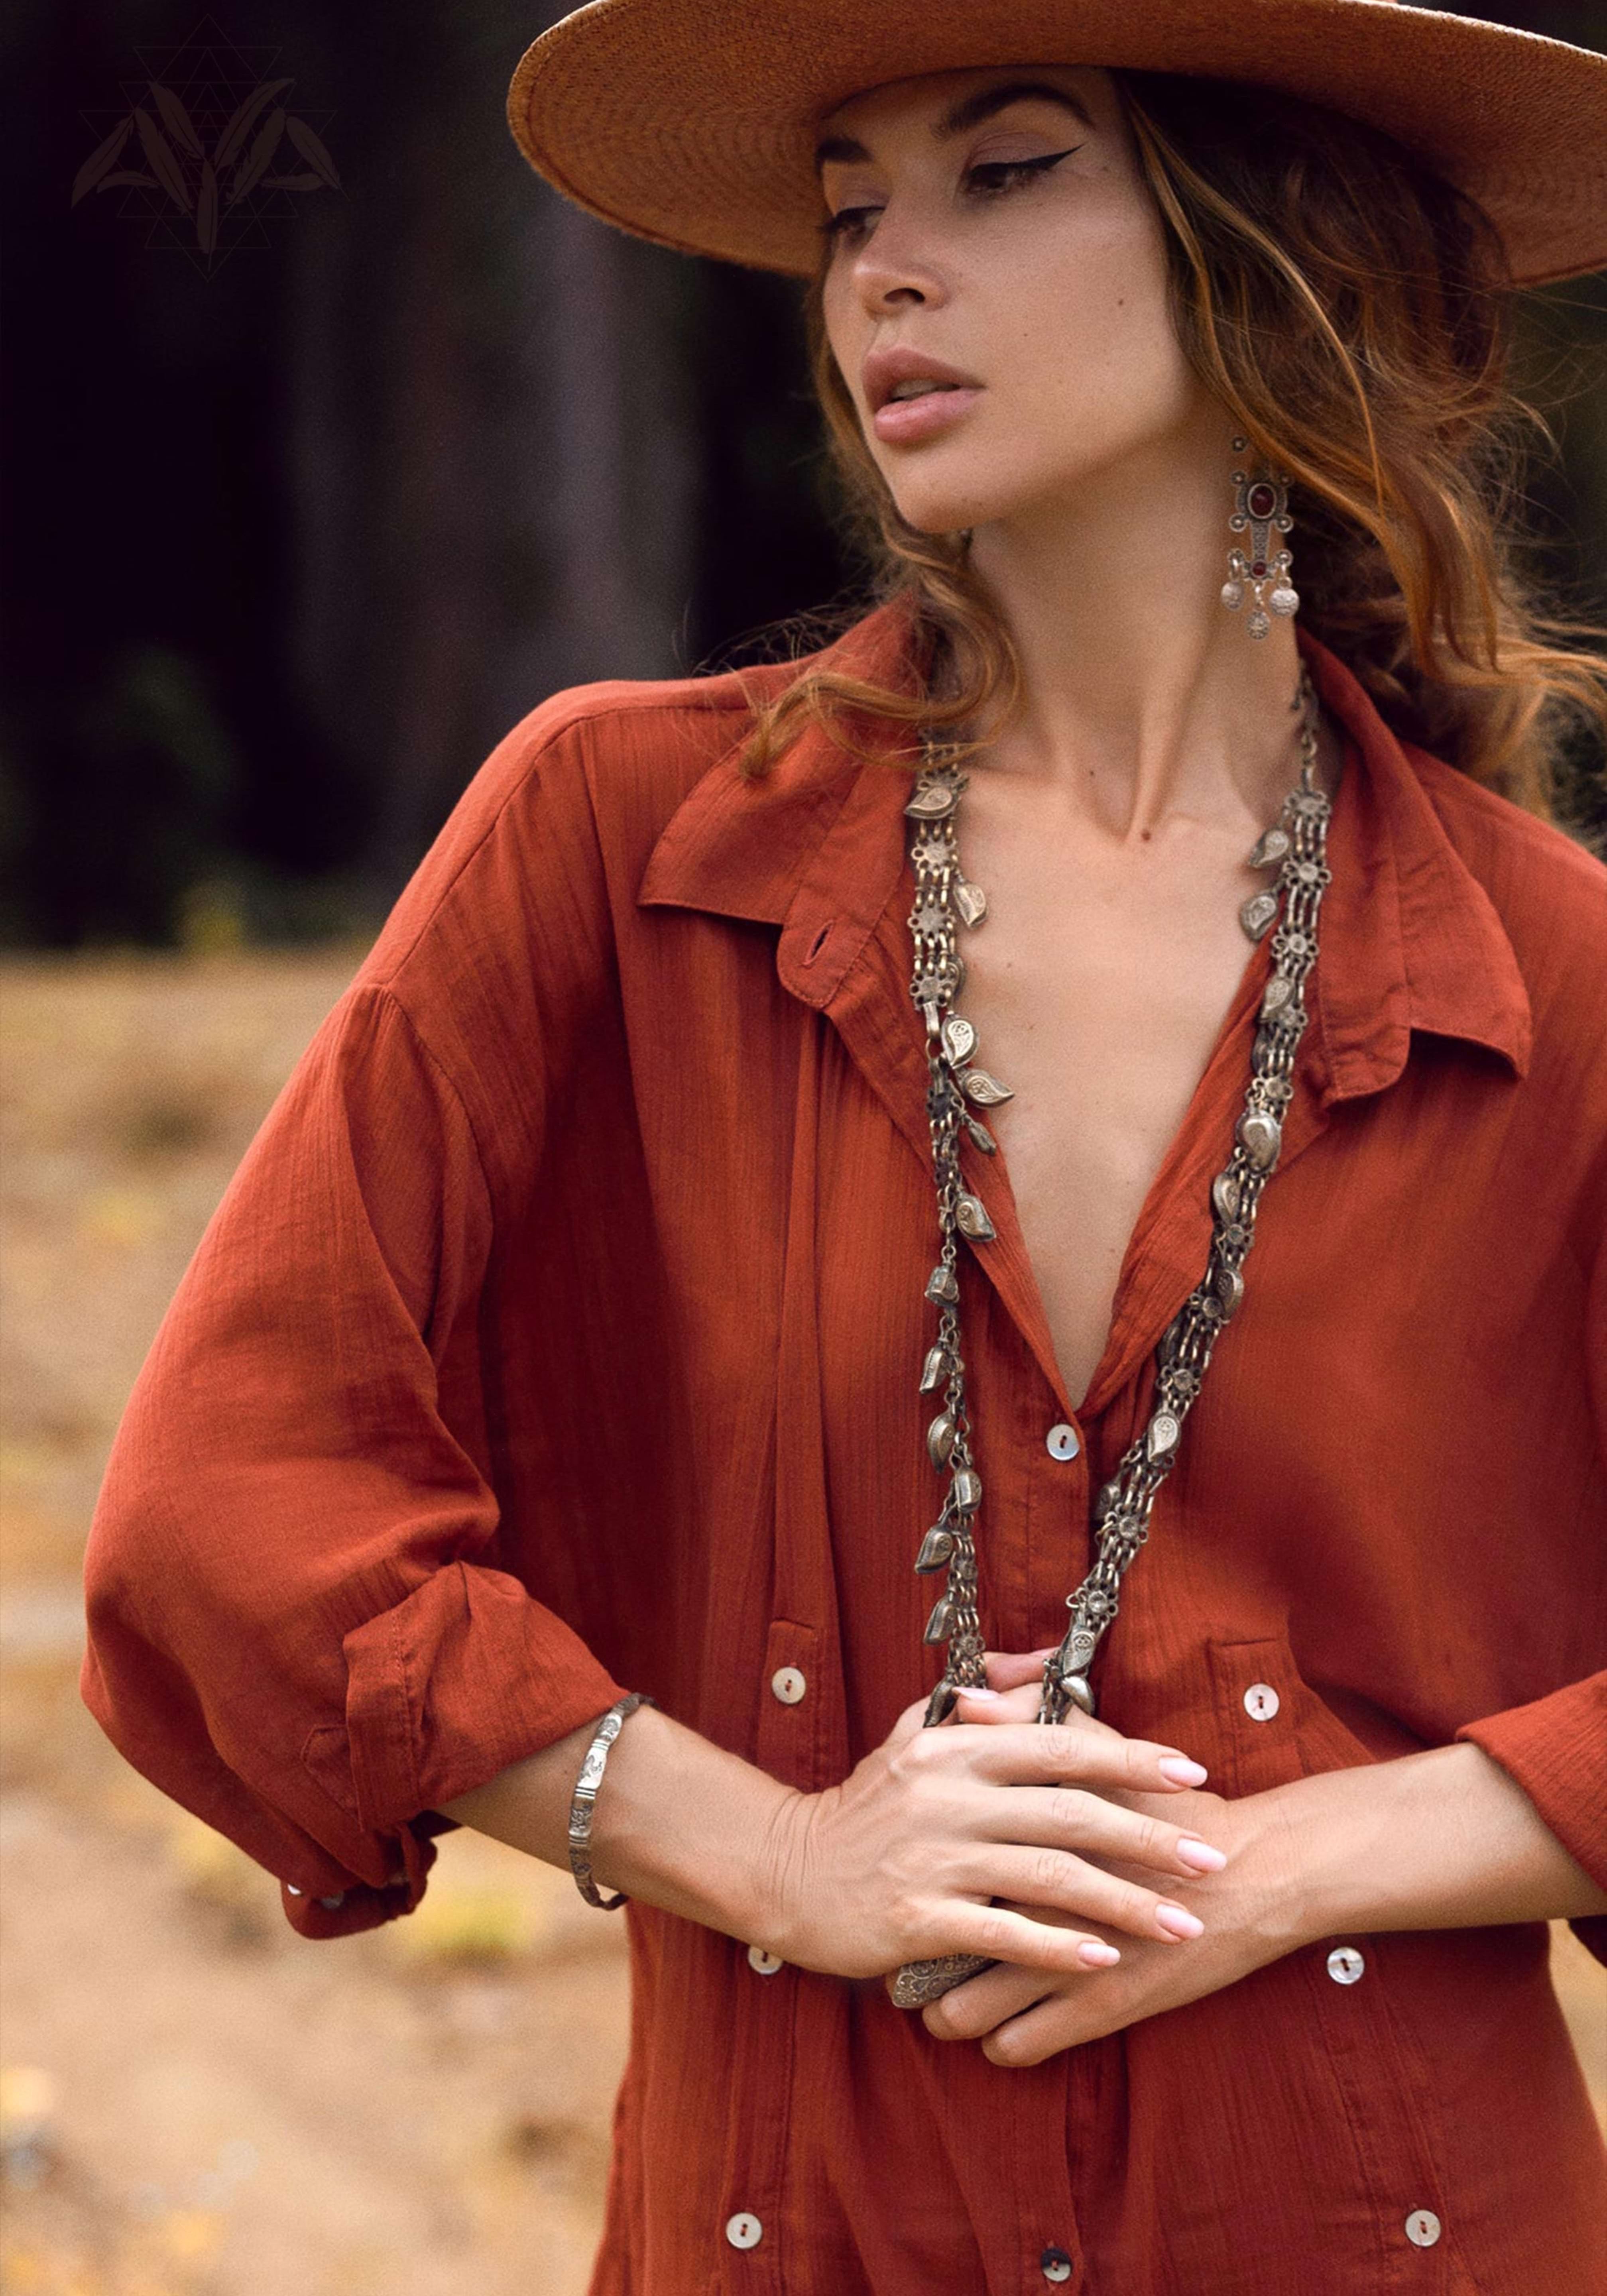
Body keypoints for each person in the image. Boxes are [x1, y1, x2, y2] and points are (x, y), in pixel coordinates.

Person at [82, 4, 1607, 2291]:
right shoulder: (614, 848)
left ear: (1262, 238)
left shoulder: (1549, 968)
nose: (887, 271)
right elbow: (227, 1513)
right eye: (852, 209)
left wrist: (1286, 1865)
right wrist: (785, 1856)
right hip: (804, 2232)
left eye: (1004, 172)